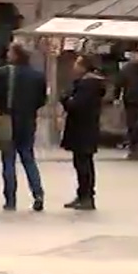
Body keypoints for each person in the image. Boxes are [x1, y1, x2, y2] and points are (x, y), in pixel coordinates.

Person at [0, 42, 48, 212]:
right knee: (28, 158)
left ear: (14, 55)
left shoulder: (3, 73)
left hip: (8, 121)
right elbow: (42, 100)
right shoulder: (38, 76)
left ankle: (10, 199)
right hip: (28, 121)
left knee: (8, 160)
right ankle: (38, 194)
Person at [60, 54, 106, 211]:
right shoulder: (88, 84)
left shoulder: (88, 85)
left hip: (82, 129)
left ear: (84, 67)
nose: (74, 66)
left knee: (83, 164)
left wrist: (65, 99)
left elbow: (76, 105)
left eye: (77, 64)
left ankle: (86, 196)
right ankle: (83, 194)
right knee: (82, 162)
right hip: (85, 127)